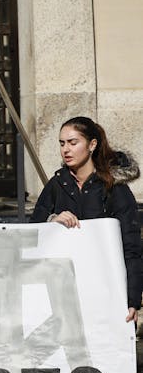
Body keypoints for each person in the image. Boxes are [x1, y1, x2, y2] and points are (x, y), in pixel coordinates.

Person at [31, 116, 143, 324]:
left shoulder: (115, 189)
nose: (66, 149)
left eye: (73, 143)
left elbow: (132, 248)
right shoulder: (56, 185)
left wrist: (132, 300)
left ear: (92, 145)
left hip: (104, 290)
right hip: (63, 293)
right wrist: (52, 221)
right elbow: (31, 235)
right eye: (62, 143)